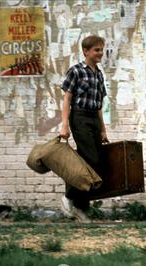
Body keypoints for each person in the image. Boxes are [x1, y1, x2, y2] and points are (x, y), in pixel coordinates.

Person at [59, 35, 109, 223]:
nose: (100, 53)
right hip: (79, 117)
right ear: (86, 51)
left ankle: (80, 208)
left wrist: (103, 129)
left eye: (101, 50)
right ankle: (68, 197)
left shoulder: (99, 74)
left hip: (93, 119)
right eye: (97, 50)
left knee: (95, 162)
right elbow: (67, 98)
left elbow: (98, 106)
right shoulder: (76, 71)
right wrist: (65, 125)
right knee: (90, 159)